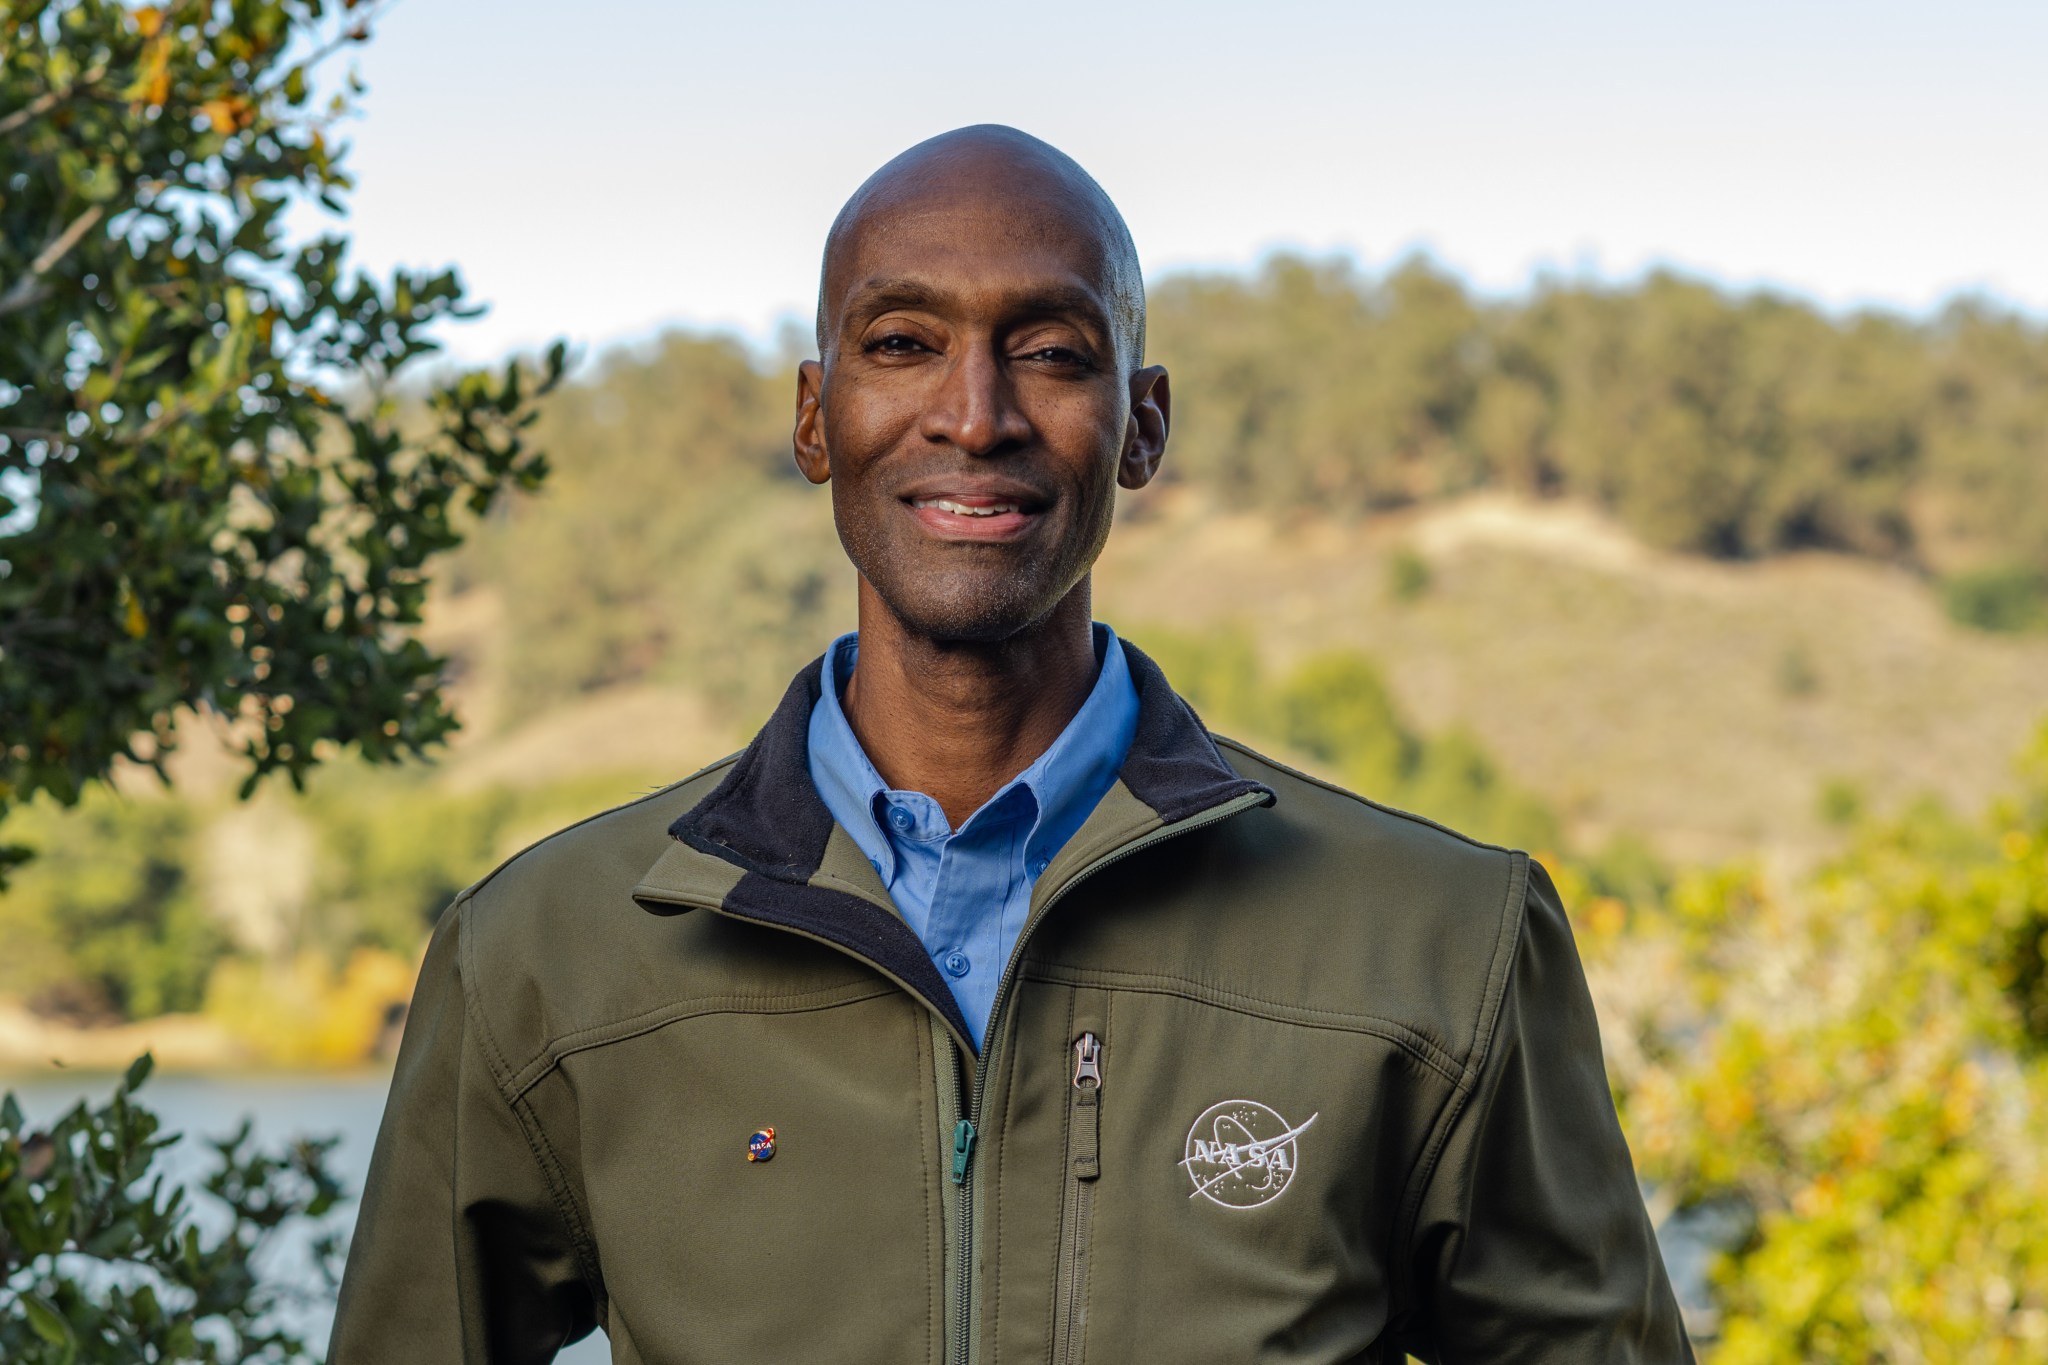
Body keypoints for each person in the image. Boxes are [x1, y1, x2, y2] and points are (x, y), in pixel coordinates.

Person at [330, 125, 1692, 1364]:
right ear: (816, 417)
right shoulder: (546, 957)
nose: (974, 416)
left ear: (1140, 424)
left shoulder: (1438, 945)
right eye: (903, 344)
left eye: (1048, 350)